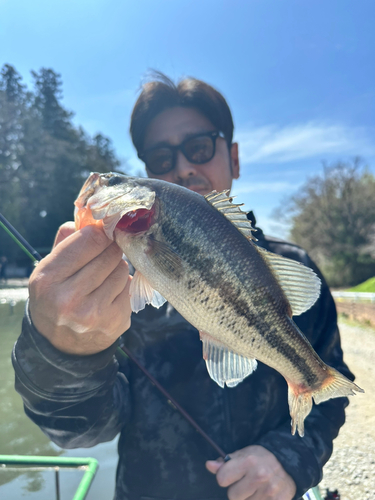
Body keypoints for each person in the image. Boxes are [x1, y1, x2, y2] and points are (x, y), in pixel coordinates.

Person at [12, 74, 354, 500]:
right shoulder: (116, 284)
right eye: (160, 157)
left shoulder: (297, 266)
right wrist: (62, 351)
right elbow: (78, 431)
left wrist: (288, 459)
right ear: (149, 173)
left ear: (234, 157)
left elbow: (331, 397)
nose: (183, 167)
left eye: (199, 148)